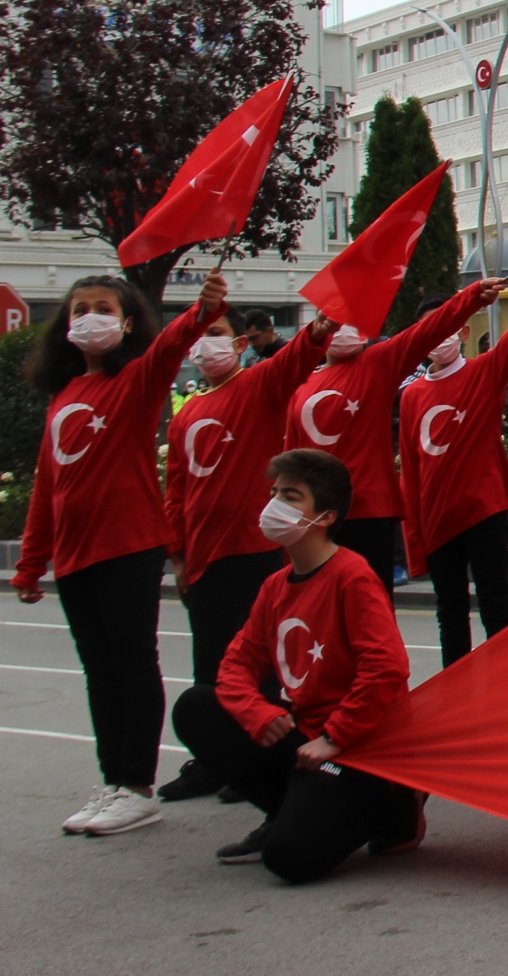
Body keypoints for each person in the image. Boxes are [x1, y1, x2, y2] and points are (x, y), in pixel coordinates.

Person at [17, 271, 228, 837]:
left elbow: (171, 349)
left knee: (132, 667)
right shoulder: (64, 395)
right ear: (65, 327)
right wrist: (31, 561)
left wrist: (202, 314)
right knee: (99, 671)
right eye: (79, 308)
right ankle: (113, 781)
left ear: (127, 321)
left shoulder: (136, 380)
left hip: (127, 545)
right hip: (74, 556)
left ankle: (137, 787)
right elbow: (47, 485)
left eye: (103, 307)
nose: (90, 316)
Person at [168, 449, 423, 881]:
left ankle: (395, 806)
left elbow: (386, 668)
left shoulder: (352, 576)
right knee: (196, 707)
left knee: (289, 859)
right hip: (307, 738)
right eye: (273, 494)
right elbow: (235, 667)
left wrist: (334, 737)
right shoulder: (274, 587)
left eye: (290, 496)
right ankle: (287, 809)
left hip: (357, 745)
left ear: (323, 517)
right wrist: (257, 714)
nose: (273, 506)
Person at [159, 305, 333, 802]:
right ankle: (215, 759)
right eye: (199, 336)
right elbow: (176, 490)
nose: (204, 345)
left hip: (253, 550)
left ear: (239, 344)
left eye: (215, 334)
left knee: (257, 665)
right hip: (202, 556)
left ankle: (256, 758)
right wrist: (177, 554)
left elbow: (294, 360)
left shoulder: (257, 386)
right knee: (209, 665)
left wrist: (316, 333)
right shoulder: (187, 410)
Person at [283, 281, 503, 591]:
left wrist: (471, 297)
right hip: (314, 515)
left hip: (367, 513)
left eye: (350, 319)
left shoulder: (378, 363)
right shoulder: (300, 385)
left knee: (369, 613)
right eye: (331, 317)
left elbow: (430, 330)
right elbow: (289, 460)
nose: (340, 326)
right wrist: (285, 509)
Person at [399, 294, 508, 667]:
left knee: (495, 605)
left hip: (484, 510)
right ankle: (456, 694)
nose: (439, 337)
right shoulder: (411, 397)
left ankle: (505, 686)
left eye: (446, 326)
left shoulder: (484, 372)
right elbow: (410, 470)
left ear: (464, 331)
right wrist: (414, 543)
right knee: (450, 614)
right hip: (438, 519)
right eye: (428, 329)